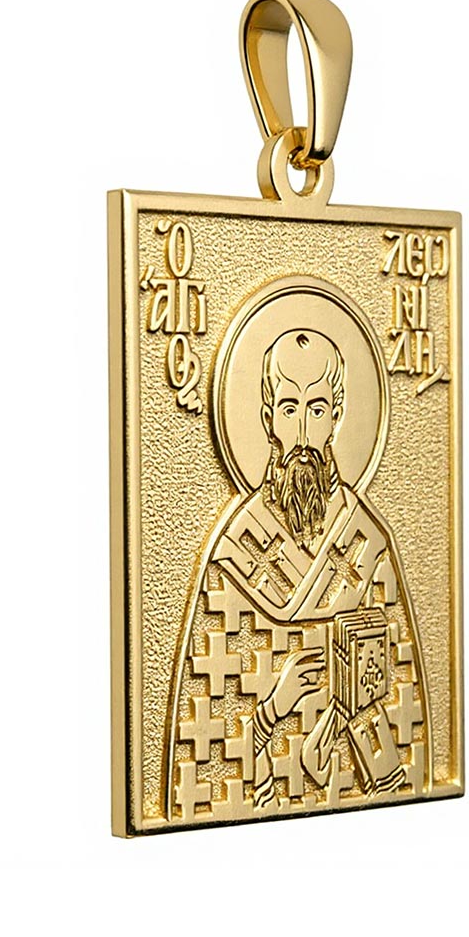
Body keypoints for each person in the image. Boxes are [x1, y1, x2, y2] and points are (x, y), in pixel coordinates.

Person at [166, 328, 428, 823]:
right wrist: (271, 710)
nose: (304, 434)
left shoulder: (367, 544)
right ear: (268, 418)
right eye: (290, 409)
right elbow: (201, 754)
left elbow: (407, 714)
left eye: (316, 408)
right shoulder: (234, 553)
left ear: (337, 416)